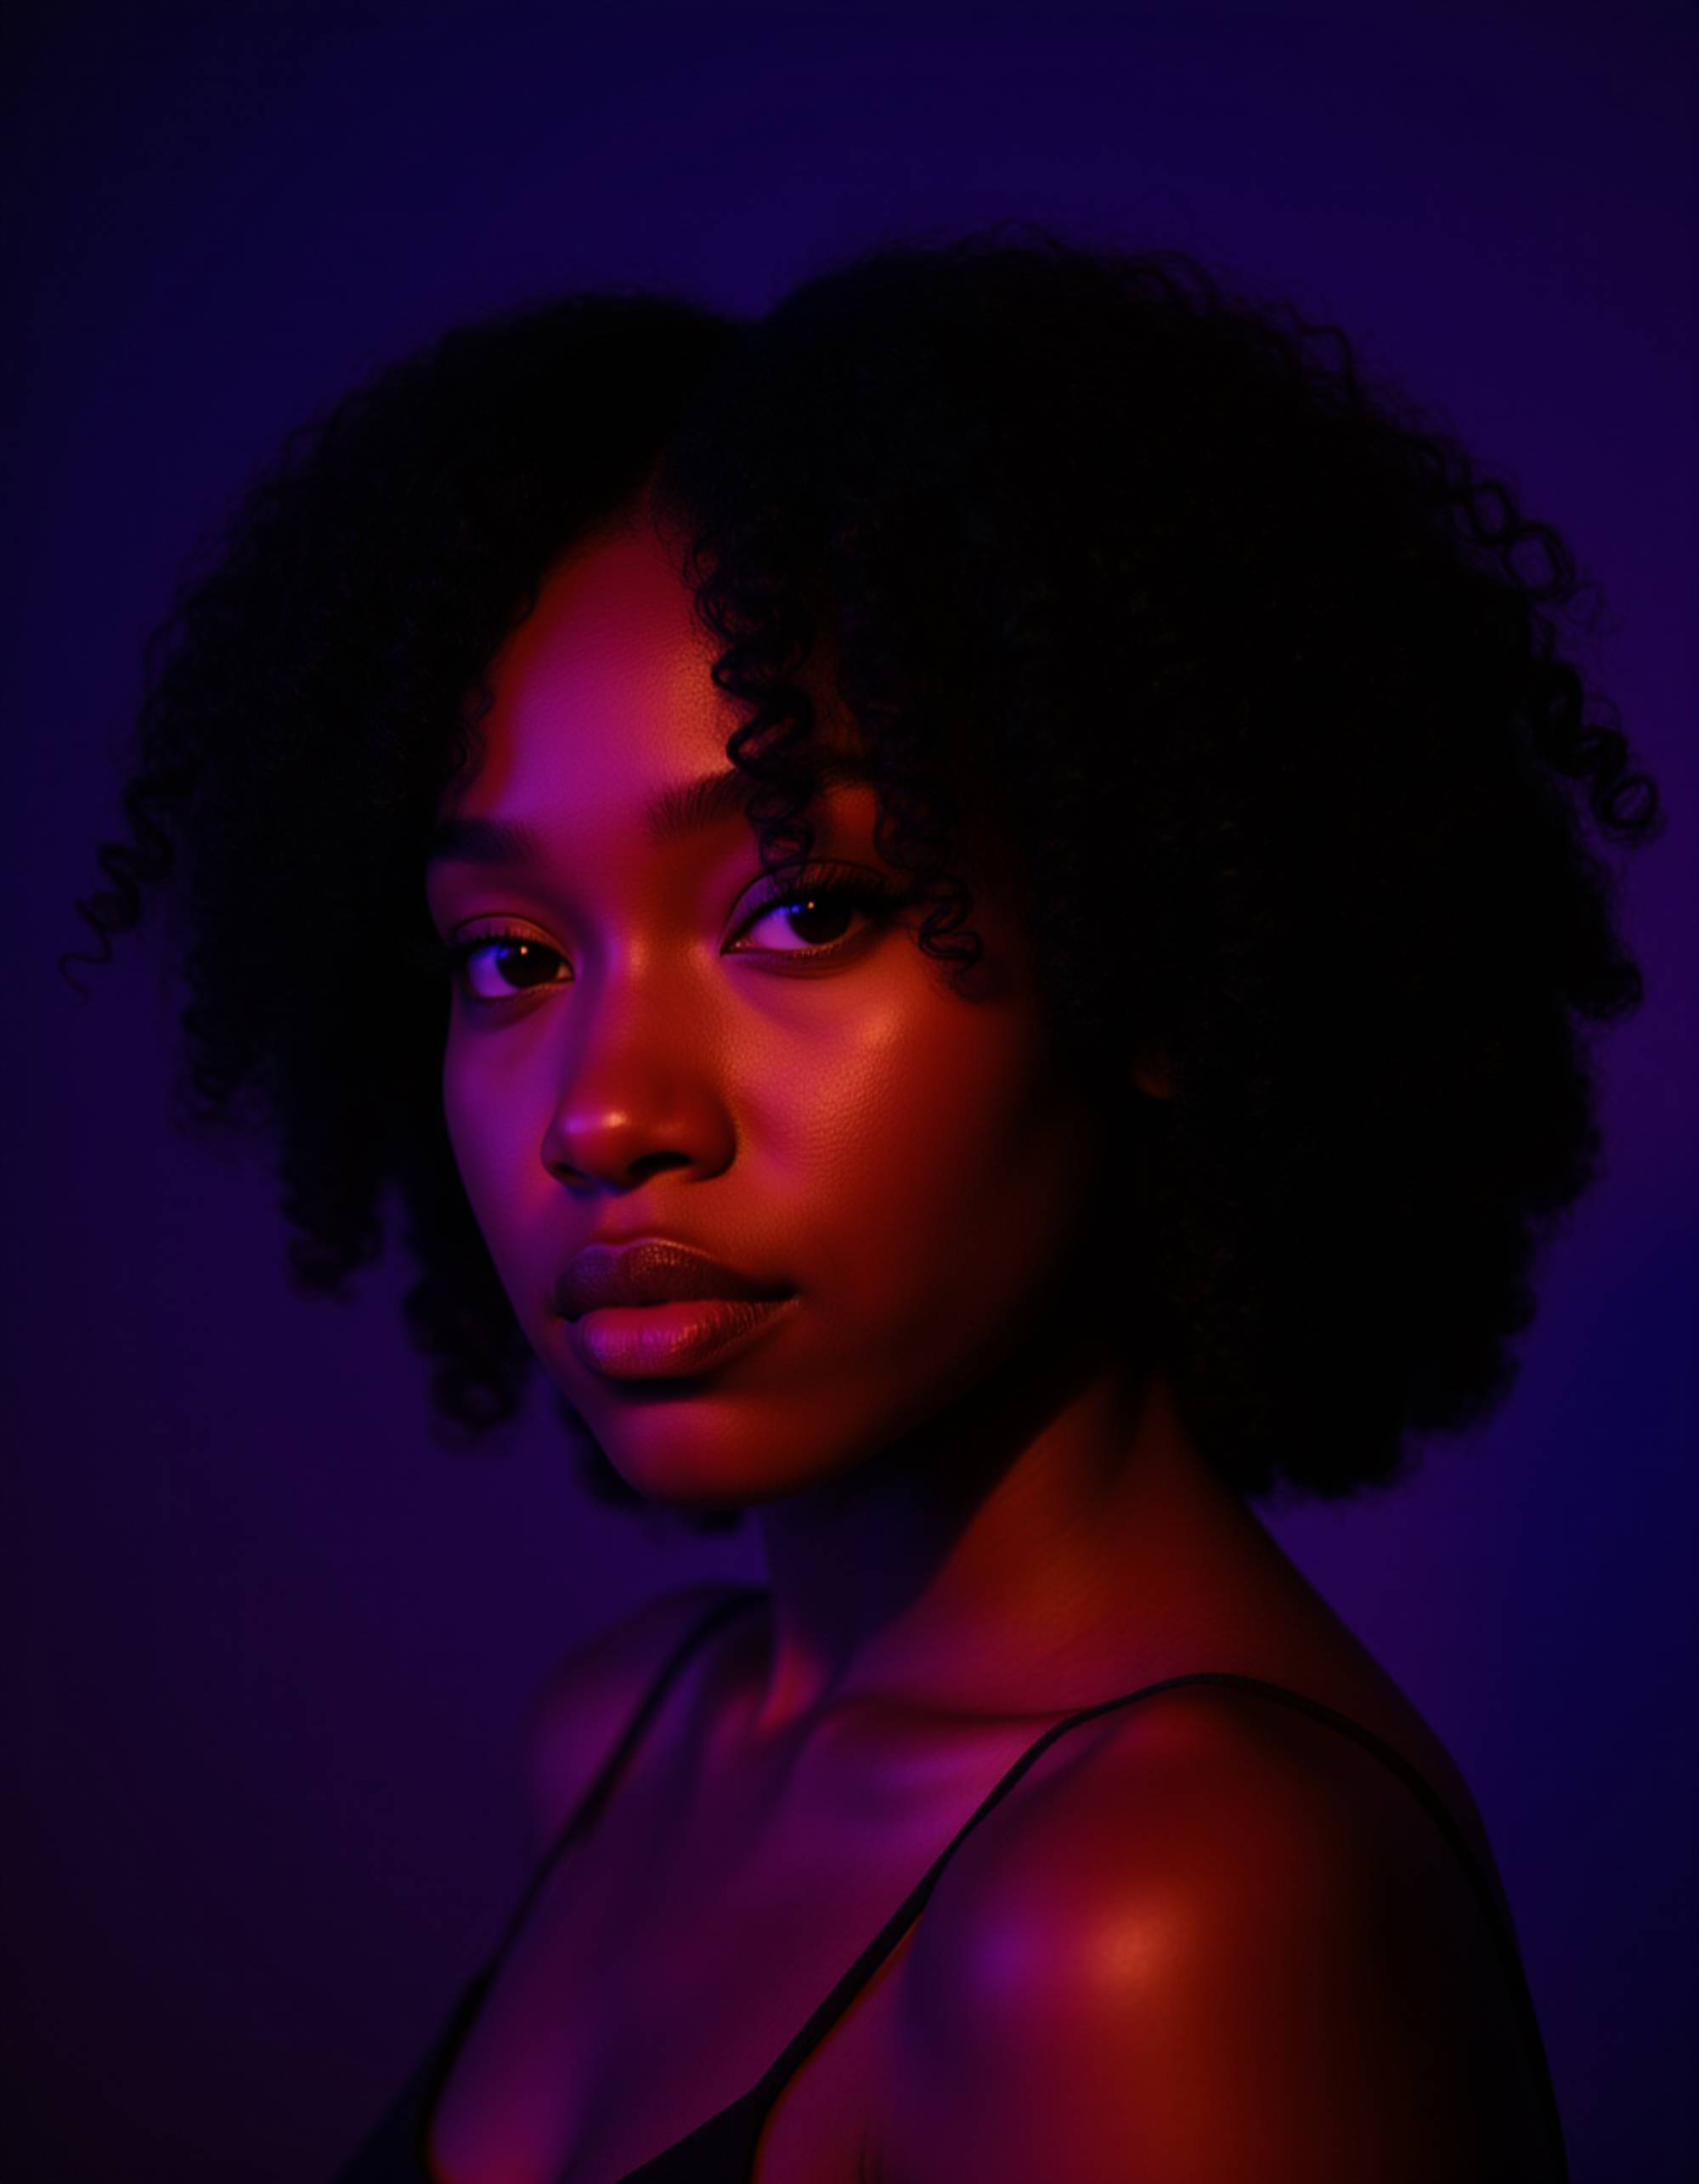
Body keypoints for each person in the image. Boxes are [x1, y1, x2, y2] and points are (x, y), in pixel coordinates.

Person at [60, 223, 1661, 2181]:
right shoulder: (634, 1736)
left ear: (1143, 948)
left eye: (803, 909)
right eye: (507, 955)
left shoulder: (1169, 1908)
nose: (605, 1114)